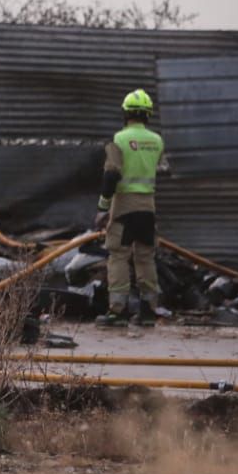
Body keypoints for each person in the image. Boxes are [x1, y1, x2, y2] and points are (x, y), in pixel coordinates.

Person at [95, 89, 163, 327]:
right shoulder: (157, 141)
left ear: (125, 113)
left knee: (118, 256)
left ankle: (117, 311)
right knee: (146, 257)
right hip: (148, 208)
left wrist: (103, 207)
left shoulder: (119, 140)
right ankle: (148, 312)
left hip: (123, 208)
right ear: (148, 114)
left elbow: (111, 174)